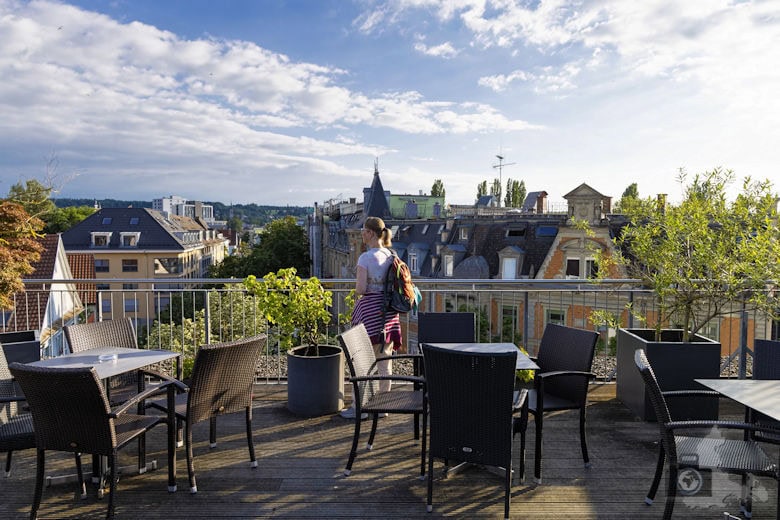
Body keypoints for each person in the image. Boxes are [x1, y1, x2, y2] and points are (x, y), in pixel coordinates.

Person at [339, 216, 402, 419]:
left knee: (362, 362)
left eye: (363, 231)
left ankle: (360, 409)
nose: (361, 234)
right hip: (390, 315)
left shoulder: (365, 258)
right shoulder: (391, 255)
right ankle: (382, 407)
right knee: (385, 363)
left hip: (370, 314)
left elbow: (360, 288)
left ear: (371, 233)